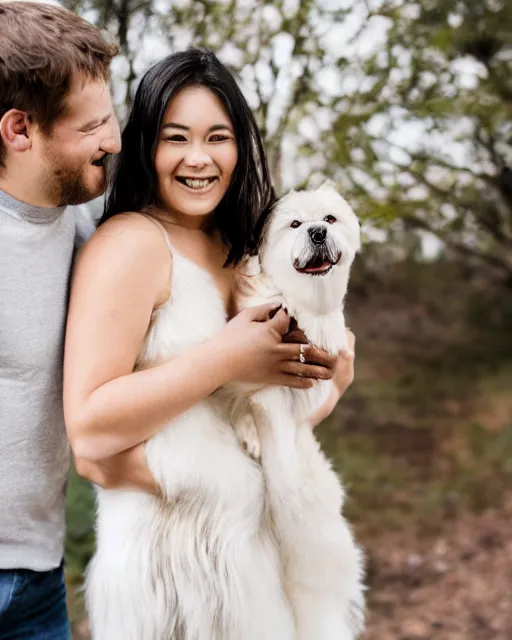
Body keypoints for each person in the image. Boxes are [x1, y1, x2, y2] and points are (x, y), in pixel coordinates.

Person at [63, 49, 356, 633]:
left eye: (217, 137)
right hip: (172, 579)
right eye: (177, 137)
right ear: (146, 144)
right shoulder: (131, 244)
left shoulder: (245, 251)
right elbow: (91, 430)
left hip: (256, 567)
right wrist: (226, 355)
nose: (199, 158)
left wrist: (331, 384)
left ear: (240, 146)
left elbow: (245, 429)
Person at [0, 2, 120, 637]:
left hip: (42, 583)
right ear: (20, 129)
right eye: (93, 125)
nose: (115, 139)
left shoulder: (85, 227)